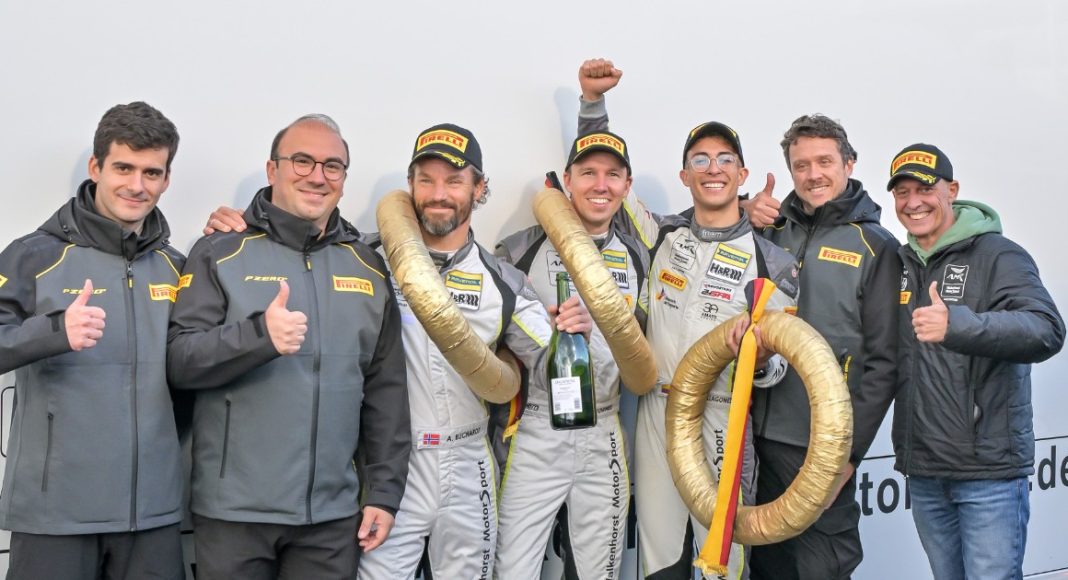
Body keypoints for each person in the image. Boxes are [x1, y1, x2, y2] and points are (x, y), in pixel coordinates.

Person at [202, 122, 593, 579]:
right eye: (426, 179)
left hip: (468, 461)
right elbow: (301, 243)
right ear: (410, 185)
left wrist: (573, 335)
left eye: (454, 180)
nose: (438, 193)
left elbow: (550, 369)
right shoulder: (365, 259)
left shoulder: (503, 281)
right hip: (390, 469)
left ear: (479, 188)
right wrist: (246, 222)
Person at [576, 59, 800, 580]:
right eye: (700, 159)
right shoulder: (660, 235)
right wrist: (592, 105)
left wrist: (759, 359)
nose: (712, 168)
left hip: (721, 419)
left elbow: (779, 369)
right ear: (685, 176)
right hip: (656, 413)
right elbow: (606, 179)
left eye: (725, 159)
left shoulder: (773, 261)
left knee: (724, 564)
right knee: (660, 563)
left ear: (742, 175)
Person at [167, 113, 409, 580]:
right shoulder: (220, 250)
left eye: (332, 166)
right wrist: (258, 336)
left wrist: (383, 492)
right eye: (302, 161)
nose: (317, 176)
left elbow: (386, 389)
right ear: (272, 169)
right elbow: (180, 360)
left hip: (331, 519)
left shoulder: (366, 265)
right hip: (234, 515)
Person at [0, 102, 186, 579]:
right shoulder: (31, 255)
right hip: (55, 515)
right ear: (96, 167)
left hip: (153, 513)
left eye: (151, 172)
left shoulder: (177, 267)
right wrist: (53, 331)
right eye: (123, 168)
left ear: (166, 179)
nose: (137, 185)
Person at [888, 143, 1064, 580]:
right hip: (925, 471)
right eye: (902, 192)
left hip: (988, 474)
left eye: (924, 189)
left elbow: (1047, 329)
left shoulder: (998, 254)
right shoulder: (901, 261)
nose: (913, 202)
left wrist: (959, 325)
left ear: (952, 190)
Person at [740, 114, 902, 580]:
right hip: (757, 439)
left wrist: (847, 457)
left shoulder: (877, 246)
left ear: (849, 164)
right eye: (801, 165)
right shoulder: (769, 230)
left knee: (821, 570)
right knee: (767, 569)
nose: (813, 174)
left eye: (824, 162)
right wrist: (742, 211)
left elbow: (885, 364)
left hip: (820, 447)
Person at [493, 129, 649, 579]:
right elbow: (486, 338)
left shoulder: (640, 255)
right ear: (567, 180)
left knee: (599, 571)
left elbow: (643, 347)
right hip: (535, 426)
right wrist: (533, 328)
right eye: (588, 173)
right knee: (512, 569)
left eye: (612, 175)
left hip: (604, 426)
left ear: (627, 185)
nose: (600, 185)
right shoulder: (518, 249)